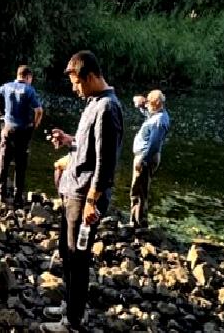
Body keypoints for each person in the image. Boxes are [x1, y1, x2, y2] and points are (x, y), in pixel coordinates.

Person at [43, 51, 123, 333]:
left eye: (77, 83)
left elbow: (106, 162)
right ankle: (69, 305)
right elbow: (88, 146)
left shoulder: (108, 108)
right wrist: (69, 141)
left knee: (77, 259)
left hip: (85, 196)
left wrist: (92, 201)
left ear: (89, 77)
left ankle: (73, 321)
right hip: (72, 190)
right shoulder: (94, 103)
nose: (74, 89)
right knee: (66, 253)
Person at [0, 65, 44, 207]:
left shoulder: (7, 86)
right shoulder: (29, 90)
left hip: (8, 128)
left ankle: (1, 194)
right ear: (28, 77)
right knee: (20, 163)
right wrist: (35, 124)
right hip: (23, 130)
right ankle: (17, 196)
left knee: (4, 160)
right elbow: (39, 110)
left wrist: (0, 115)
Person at [129, 90, 170, 230]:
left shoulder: (159, 121)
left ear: (157, 104)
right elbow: (148, 113)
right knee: (139, 189)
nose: (147, 105)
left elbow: (154, 145)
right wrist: (140, 104)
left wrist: (143, 161)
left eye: (149, 103)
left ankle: (138, 224)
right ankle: (137, 221)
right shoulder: (157, 114)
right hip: (144, 156)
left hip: (146, 158)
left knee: (139, 190)